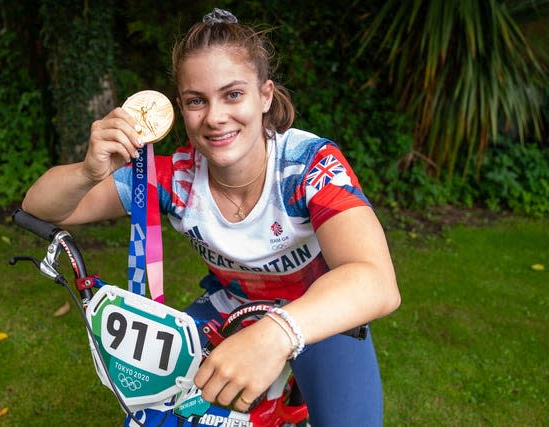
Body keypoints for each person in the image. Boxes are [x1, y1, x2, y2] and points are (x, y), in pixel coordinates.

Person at [22, 8, 400, 426]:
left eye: (233, 94)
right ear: (181, 109)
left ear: (265, 96)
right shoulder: (176, 176)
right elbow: (40, 206)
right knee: (159, 414)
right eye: (196, 101)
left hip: (320, 313)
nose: (215, 117)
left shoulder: (306, 164)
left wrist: (276, 333)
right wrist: (87, 172)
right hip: (231, 308)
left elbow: (376, 280)